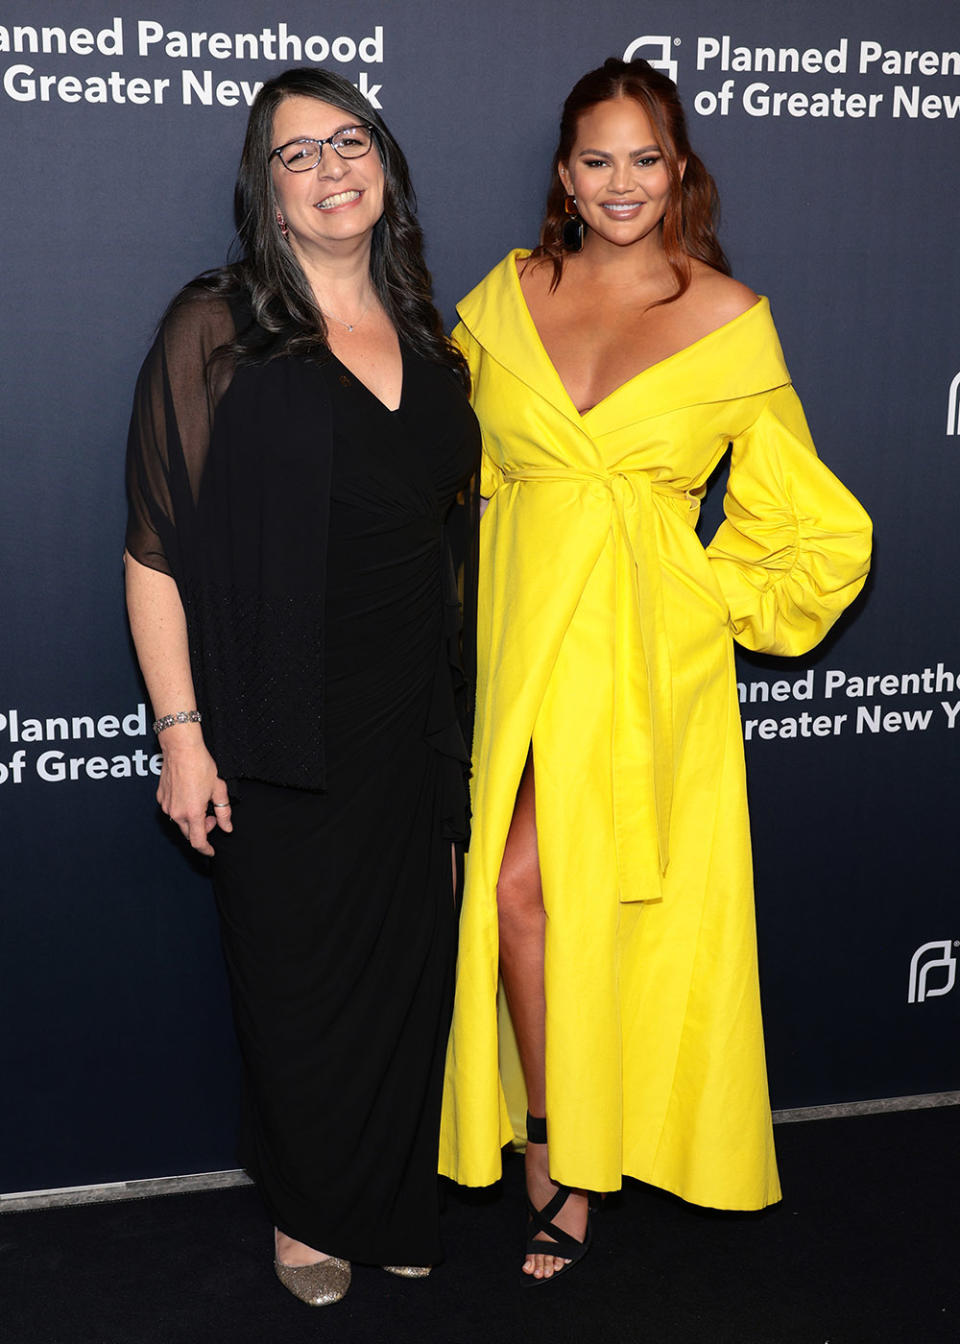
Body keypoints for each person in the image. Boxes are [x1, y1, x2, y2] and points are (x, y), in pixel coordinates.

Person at [438, 57, 872, 1283]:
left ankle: (574, 1156)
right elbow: (430, 466)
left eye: (646, 158)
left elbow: (817, 527)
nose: (621, 182)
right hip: (522, 650)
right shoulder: (504, 298)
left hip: (643, 667)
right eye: (596, 159)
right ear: (564, 176)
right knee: (518, 891)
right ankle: (554, 1130)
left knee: (608, 908)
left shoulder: (729, 317)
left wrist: (706, 591)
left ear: (678, 171)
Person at [124, 67, 479, 1306]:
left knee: (405, 974)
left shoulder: (435, 340)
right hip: (275, 719)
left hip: (414, 716)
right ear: (266, 191)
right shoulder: (216, 328)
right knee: (296, 979)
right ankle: (305, 1209)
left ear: (383, 164)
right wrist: (183, 737)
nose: (332, 170)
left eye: (350, 142)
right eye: (298, 155)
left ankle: (381, 1196)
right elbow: (154, 549)